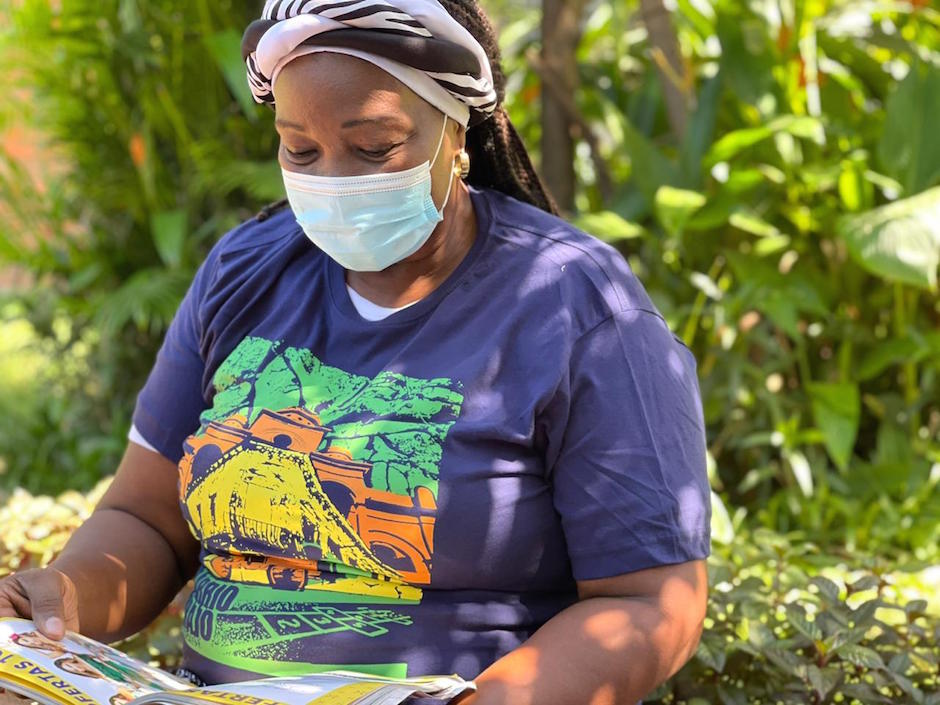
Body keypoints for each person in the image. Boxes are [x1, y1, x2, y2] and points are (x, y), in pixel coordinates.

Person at [0, 1, 711, 703]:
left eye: (374, 147)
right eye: (299, 149)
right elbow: (146, 519)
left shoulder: (574, 306)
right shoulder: (244, 272)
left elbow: (652, 601)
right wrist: (60, 597)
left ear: (455, 133)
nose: (335, 180)